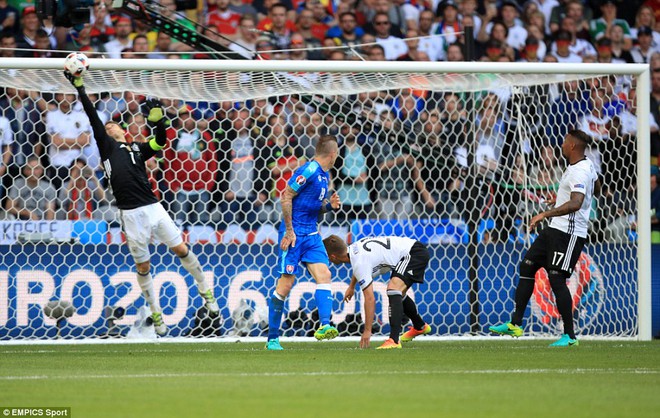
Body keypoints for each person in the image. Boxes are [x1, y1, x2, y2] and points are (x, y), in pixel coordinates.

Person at [63, 71, 219, 336]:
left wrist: (158, 122)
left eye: (113, 128)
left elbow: (160, 142)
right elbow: (92, 117)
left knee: (181, 249)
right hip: (131, 214)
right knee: (144, 267)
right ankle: (156, 314)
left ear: (123, 131)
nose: (109, 130)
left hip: (153, 207)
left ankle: (208, 296)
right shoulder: (107, 148)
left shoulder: (137, 148)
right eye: (107, 130)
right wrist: (80, 87)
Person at [489, 129, 600, 347]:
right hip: (554, 230)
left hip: (568, 234)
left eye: (565, 141)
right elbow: (594, 187)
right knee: (527, 266)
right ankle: (515, 324)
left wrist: (544, 213)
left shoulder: (580, 171)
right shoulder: (586, 165)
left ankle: (570, 335)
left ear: (573, 146)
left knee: (557, 279)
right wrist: (560, 198)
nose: (562, 144)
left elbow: (577, 203)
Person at [265, 135, 341, 350]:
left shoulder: (324, 176)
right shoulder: (308, 170)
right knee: (286, 284)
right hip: (294, 234)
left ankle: (325, 326)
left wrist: (329, 207)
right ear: (332, 154)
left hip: (311, 235)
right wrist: (289, 231)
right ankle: (272, 339)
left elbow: (313, 209)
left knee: (324, 275)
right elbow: (285, 196)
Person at [324, 234, 431, 350]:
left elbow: (370, 299)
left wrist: (367, 331)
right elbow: (359, 267)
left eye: (327, 257)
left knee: (393, 288)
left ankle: (394, 340)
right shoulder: (355, 248)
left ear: (333, 257)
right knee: (399, 292)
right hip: (410, 250)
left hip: (413, 253)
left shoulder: (359, 263)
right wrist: (351, 287)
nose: (327, 260)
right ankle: (420, 326)